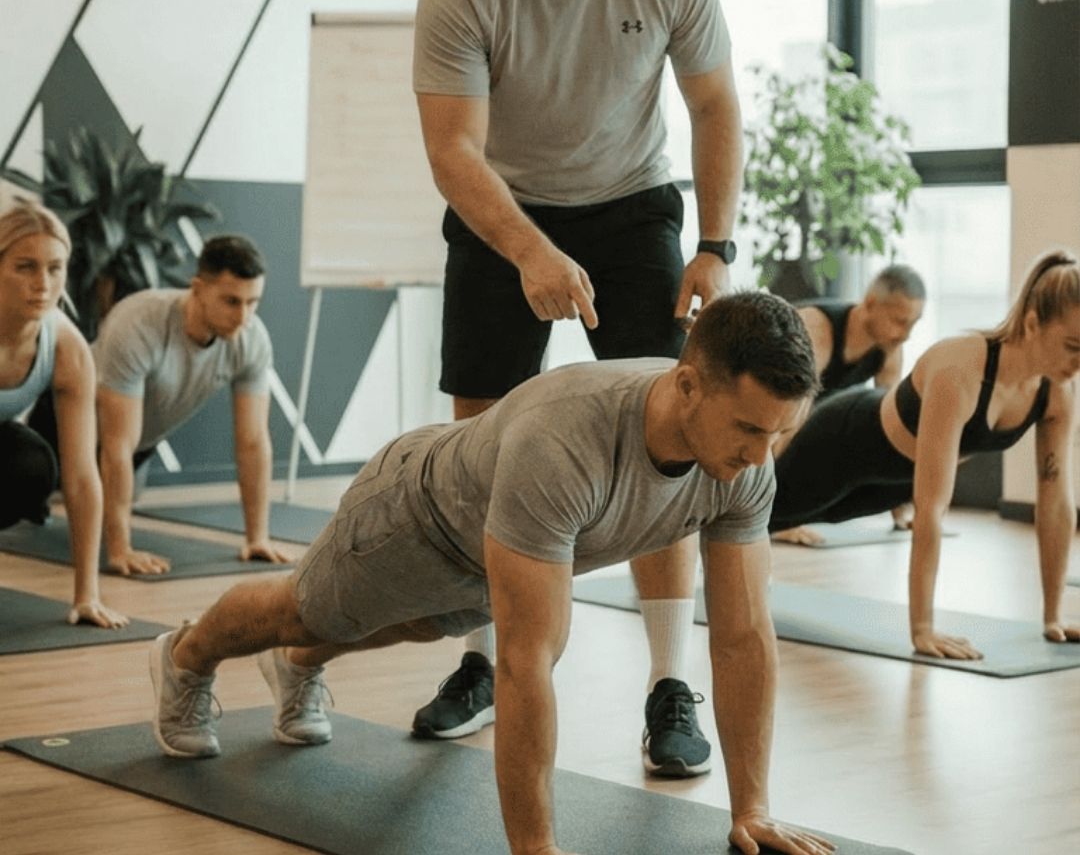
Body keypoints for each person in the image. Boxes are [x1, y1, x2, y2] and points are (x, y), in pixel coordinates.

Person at [149, 292, 832, 855]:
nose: (760, 452)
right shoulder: (568, 438)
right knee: (305, 610)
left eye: (777, 432)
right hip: (414, 518)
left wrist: (753, 808)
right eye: (748, 428)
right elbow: (527, 662)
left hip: (493, 549)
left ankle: (297, 667)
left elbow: (743, 636)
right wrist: (535, 848)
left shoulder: (746, 468)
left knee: (407, 627)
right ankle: (183, 658)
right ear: (688, 386)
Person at [412, 0, 744, 770]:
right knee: (478, 439)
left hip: (634, 201)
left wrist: (715, 242)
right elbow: (453, 152)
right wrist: (526, 249)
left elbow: (714, 101)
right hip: (499, 205)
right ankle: (478, 662)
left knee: (668, 438)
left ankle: (668, 685)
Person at [769, 250, 1080, 660]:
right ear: (1033, 322)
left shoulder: (1056, 392)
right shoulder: (962, 368)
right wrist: (922, 629)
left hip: (889, 481)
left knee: (791, 519)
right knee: (755, 516)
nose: (1079, 362)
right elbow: (932, 507)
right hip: (841, 443)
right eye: (1073, 345)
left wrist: (1052, 617)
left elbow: (1056, 502)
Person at [90, 235, 289, 574]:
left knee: (116, 497)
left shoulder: (251, 339)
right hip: (69, 428)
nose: (243, 316)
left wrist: (258, 538)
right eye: (231, 301)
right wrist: (120, 549)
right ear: (197, 288)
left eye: (252, 302)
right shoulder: (139, 322)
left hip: (136, 444)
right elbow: (115, 444)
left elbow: (253, 441)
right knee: (28, 486)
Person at [0, 202, 126, 628]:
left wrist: (87, 593)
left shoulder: (66, 347)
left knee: (31, 464)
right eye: (25, 267)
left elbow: (81, 476)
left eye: (55, 268)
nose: (43, 284)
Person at [773, 265, 925, 544]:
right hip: (764, 417)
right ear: (870, 303)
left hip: (802, 424)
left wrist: (900, 511)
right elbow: (783, 416)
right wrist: (777, 519)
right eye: (900, 321)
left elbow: (892, 430)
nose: (906, 334)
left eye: (913, 324)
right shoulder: (816, 329)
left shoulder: (889, 349)